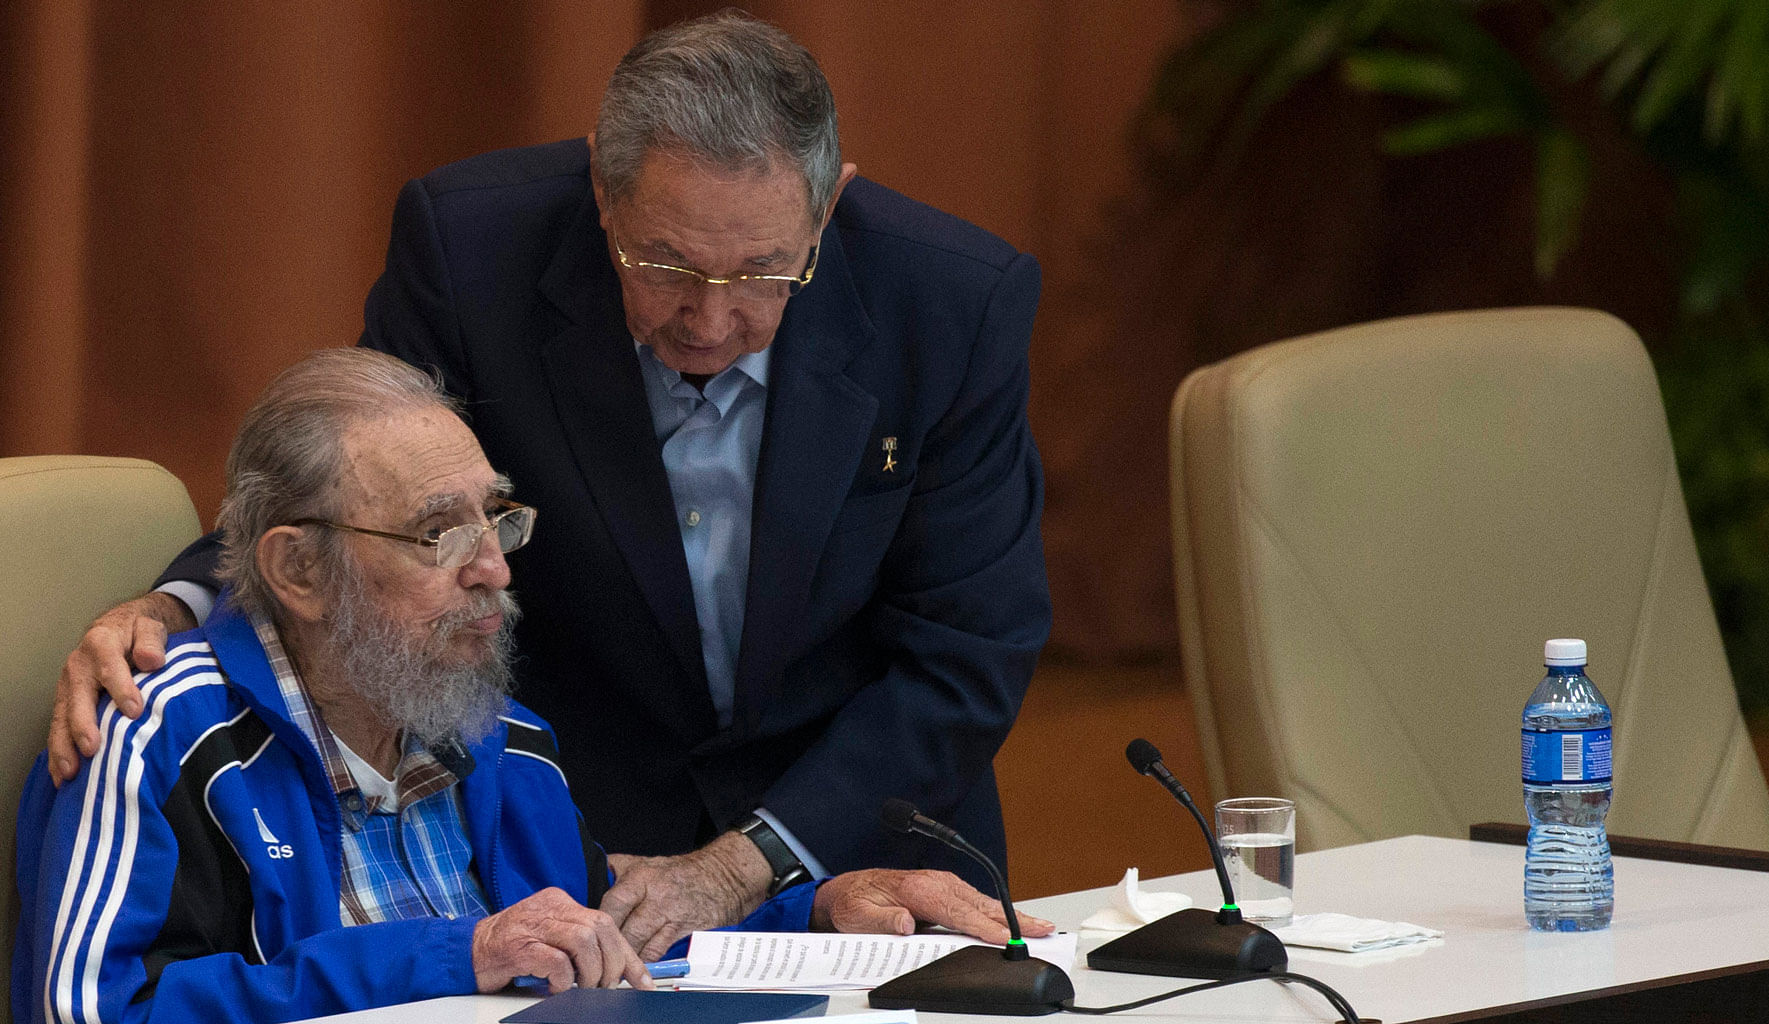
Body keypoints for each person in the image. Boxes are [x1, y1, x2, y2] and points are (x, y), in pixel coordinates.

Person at [47, 11, 1049, 959]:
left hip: (853, 856)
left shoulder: (953, 302)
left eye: (759, 272)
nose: (708, 318)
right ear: (602, 192)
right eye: (662, 262)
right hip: (581, 859)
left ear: (828, 208)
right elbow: (350, 472)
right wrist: (174, 600)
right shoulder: (473, 248)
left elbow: (965, 650)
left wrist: (764, 865)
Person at [14, 349, 1049, 1024]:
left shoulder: (499, 732)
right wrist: (450, 954)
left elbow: (603, 943)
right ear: (296, 570)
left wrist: (822, 912)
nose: (494, 569)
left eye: (495, 519)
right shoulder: (162, 732)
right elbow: (87, 1011)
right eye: (436, 533)